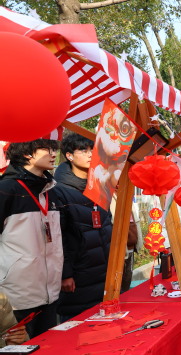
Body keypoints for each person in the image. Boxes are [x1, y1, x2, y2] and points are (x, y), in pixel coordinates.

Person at [0, 139, 63, 337]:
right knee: (20, 353)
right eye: (47, 149)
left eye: (54, 149)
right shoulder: (6, 189)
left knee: (49, 350)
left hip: (50, 293)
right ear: (27, 153)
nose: (53, 154)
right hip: (16, 297)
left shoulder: (50, 190)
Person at [54, 133, 113, 322]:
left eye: (92, 150)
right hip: (78, 275)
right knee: (77, 327)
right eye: (83, 150)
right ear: (69, 156)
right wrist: (65, 274)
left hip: (104, 271)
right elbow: (60, 236)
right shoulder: (59, 191)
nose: (89, 155)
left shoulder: (100, 186)